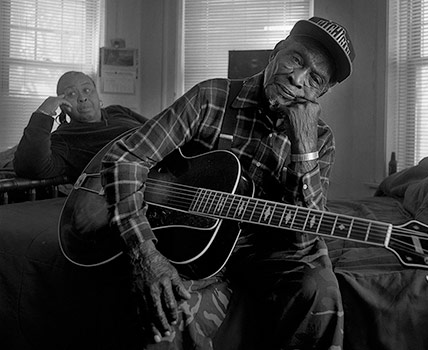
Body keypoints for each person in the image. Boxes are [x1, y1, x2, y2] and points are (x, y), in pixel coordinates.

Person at [101, 16, 355, 349]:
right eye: (296, 59)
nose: (297, 78)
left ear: (324, 91)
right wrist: (143, 251)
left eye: (315, 78)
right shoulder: (212, 97)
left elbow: (305, 238)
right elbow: (126, 158)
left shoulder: (321, 139)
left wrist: (303, 145)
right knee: (162, 314)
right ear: (277, 51)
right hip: (194, 247)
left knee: (321, 292)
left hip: (269, 251)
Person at [13, 71, 148, 182]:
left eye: (87, 90)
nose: (82, 97)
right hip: (144, 182)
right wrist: (43, 113)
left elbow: (157, 128)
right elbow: (29, 167)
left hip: (163, 159)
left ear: (97, 94)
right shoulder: (65, 138)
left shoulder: (118, 111)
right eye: (71, 94)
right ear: (63, 105)